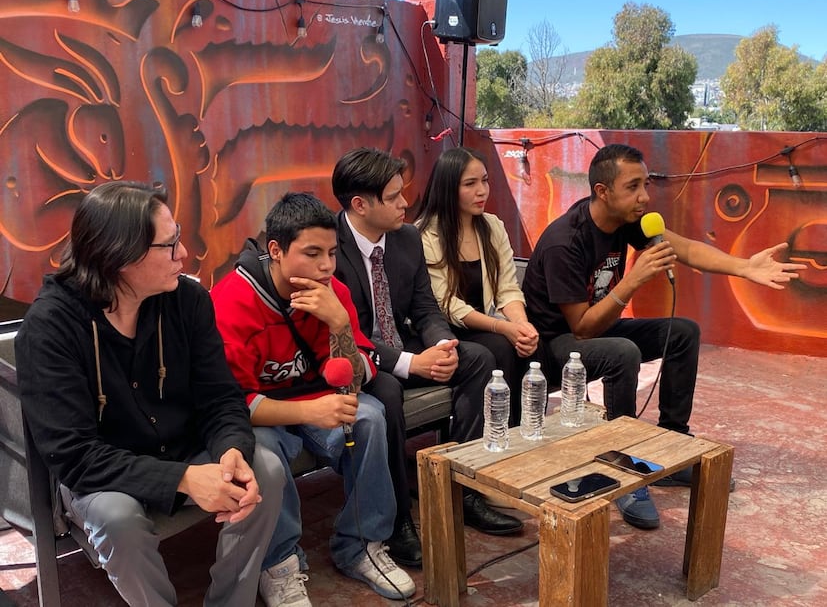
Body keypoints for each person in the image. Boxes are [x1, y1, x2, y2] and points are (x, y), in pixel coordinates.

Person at [14, 181, 285, 606]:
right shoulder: (50, 329)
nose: (184, 254)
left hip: (184, 446)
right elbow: (73, 454)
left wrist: (232, 447)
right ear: (120, 256)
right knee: (117, 519)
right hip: (105, 474)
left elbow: (220, 396)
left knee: (264, 467)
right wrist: (183, 479)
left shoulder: (188, 300)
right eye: (170, 244)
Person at [523, 143, 804, 530]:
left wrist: (745, 267)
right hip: (554, 346)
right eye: (633, 186)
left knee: (682, 332)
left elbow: (684, 248)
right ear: (603, 192)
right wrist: (634, 281)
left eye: (646, 184)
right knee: (622, 352)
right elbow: (582, 328)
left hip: (596, 326)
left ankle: (669, 443)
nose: (644, 196)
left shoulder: (628, 221)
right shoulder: (564, 242)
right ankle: (620, 470)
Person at [210, 192, 415, 605]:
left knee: (370, 417)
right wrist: (309, 410)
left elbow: (355, 377)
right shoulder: (231, 303)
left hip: (316, 400)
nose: (325, 266)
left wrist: (339, 322)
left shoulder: (331, 290)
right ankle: (280, 563)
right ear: (276, 250)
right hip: (257, 413)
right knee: (262, 449)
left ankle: (361, 546)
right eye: (312, 253)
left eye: (332, 253)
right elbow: (229, 404)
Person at [332, 147, 524, 538]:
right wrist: (409, 363)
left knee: (479, 358)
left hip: (403, 344)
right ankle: (399, 519)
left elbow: (425, 308)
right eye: (393, 197)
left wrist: (442, 345)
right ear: (360, 205)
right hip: (356, 361)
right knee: (384, 392)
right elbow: (346, 336)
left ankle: (464, 489)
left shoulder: (404, 239)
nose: (405, 204)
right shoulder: (330, 248)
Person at [415, 147, 539, 421]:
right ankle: (494, 438)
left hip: (486, 324)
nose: (482, 191)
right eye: (470, 184)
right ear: (448, 188)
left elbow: (507, 288)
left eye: (484, 181)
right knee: (500, 347)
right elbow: (447, 305)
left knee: (527, 346)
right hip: (444, 330)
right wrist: (503, 327)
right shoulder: (425, 234)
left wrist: (521, 326)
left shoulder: (492, 226)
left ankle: (526, 433)